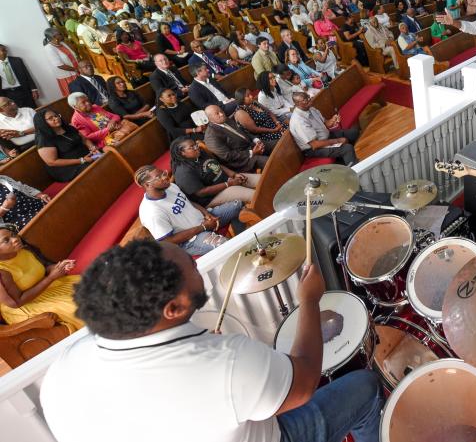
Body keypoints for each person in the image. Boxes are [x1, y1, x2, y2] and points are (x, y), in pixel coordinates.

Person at [41, 240, 382, 442]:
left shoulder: (61, 370)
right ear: (173, 308)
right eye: (191, 265)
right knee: (365, 385)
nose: (198, 268)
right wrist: (309, 301)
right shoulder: (227, 363)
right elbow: (305, 381)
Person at [134, 166, 236, 254]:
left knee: (238, 205)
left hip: (203, 222)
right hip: (189, 241)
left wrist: (206, 214)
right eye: (159, 177)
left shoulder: (170, 187)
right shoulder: (152, 212)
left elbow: (188, 201)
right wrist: (203, 227)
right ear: (147, 185)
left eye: (163, 173)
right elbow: (168, 241)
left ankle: (241, 235)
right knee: (226, 244)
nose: (165, 177)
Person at [0, 226, 82, 332]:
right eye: (6, 240)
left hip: (49, 287)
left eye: (13, 235)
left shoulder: (24, 248)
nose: (15, 239)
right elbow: (17, 302)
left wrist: (60, 267)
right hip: (27, 306)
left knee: (94, 284)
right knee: (77, 306)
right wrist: (51, 278)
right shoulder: (3, 271)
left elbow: (45, 267)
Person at [170, 137, 260, 208]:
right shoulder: (183, 173)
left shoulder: (199, 153)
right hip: (212, 196)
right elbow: (202, 192)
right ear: (182, 152)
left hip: (228, 181)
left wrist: (234, 174)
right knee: (254, 195)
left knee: (262, 179)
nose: (196, 148)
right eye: (192, 147)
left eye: (195, 145)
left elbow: (217, 164)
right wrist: (228, 184)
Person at [288, 92, 358, 165]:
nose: (309, 99)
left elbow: (325, 124)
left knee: (353, 132)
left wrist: (333, 120)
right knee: (347, 149)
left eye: (308, 97)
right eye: (305, 99)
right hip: (315, 149)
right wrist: (337, 141)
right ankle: (354, 170)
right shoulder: (299, 121)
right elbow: (315, 144)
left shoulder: (311, 109)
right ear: (297, 104)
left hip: (326, 137)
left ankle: (346, 161)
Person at [33, 109, 102, 183]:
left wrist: (93, 148)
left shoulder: (68, 128)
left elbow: (84, 140)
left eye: (56, 116)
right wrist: (82, 160)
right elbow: (52, 162)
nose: (56, 118)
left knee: (107, 151)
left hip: (85, 154)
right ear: (42, 123)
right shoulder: (44, 139)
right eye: (50, 118)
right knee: (92, 168)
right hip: (67, 166)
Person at [203, 104, 269, 172]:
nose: (221, 114)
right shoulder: (210, 136)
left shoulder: (225, 120)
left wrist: (256, 140)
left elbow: (243, 130)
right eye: (217, 113)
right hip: (242, 161)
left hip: (252, 145)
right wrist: (252, 152)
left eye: (221, 111)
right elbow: (227, 156)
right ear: (210, 118)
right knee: (269, 161)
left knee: (276, 144)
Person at [68, 92, 135, 149]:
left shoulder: (95, 107)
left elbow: (115, 116)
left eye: (87, 100)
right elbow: (88, 137)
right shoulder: (76, 120)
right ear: (75, 107)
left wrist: (112, 121)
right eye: (83, 102)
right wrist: (108, 129)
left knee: (134, 132)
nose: (88, 103)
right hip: (105, 140)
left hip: (118, 128)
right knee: (126, 142)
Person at [42, 28, 80, 96]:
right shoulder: (49, 48)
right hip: (68, 77)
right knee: (76, 95)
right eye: (59, 33)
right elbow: (60, 65)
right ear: (54, 37)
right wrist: (76, 69)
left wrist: (79, 67)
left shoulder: (62, 43)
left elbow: (74, 55)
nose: (62, 34)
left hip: (77, 72)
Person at [0, 44, 38, 110]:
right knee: (17, 113)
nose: (2, 52)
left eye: (4, 50)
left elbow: (27, 74)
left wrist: (34, 89)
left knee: (32, 109)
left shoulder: (16, 60)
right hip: (8, 94)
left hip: (23, 90)